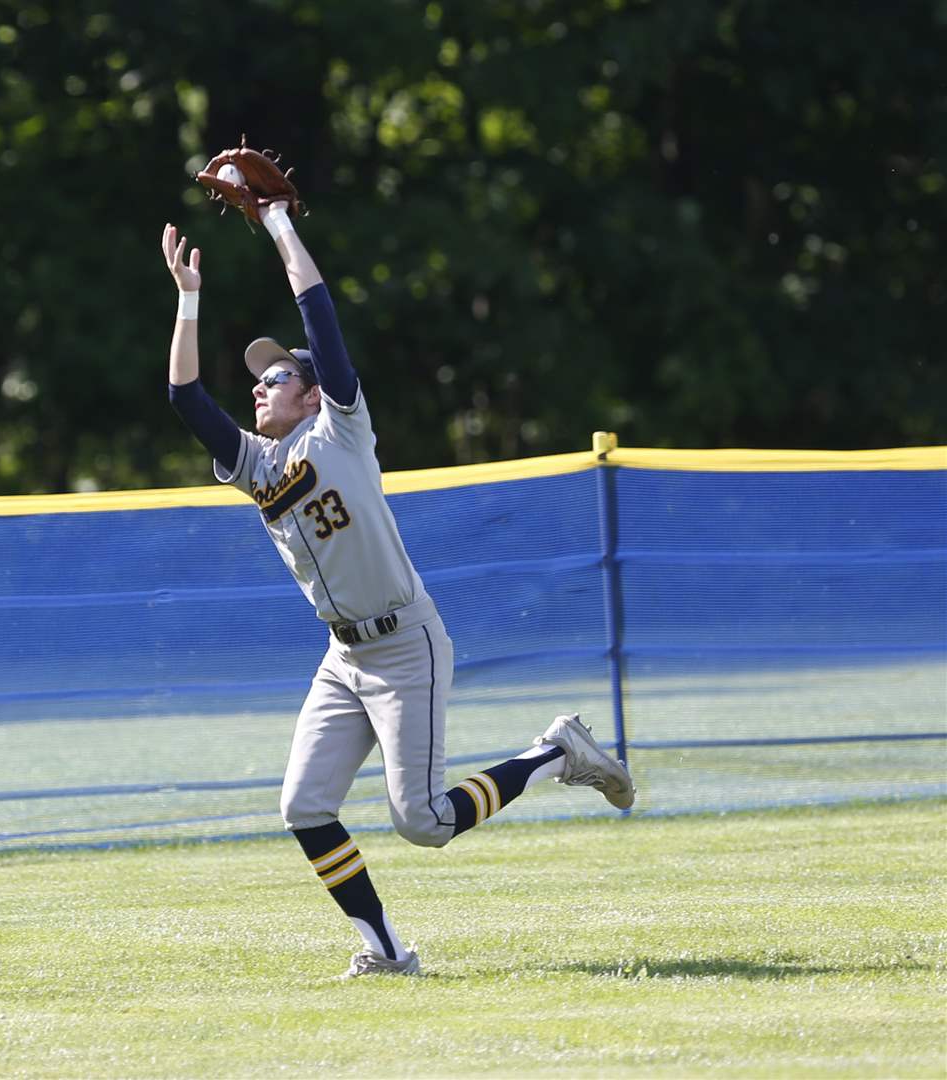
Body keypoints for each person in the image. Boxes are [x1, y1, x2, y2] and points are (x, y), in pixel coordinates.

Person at [160, 200, 634, 978]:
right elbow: (185, 399)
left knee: (423, 822)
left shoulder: (341, 427)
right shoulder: (254, 465)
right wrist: (187, 297)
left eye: (275, 375)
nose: (259, 386)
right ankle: (385, 950)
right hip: (343, 661)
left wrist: (279, 223)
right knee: (304, 807)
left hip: (405, 646)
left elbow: (320, 316)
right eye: (258, 378)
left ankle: (555, 753)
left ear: (312, 394)